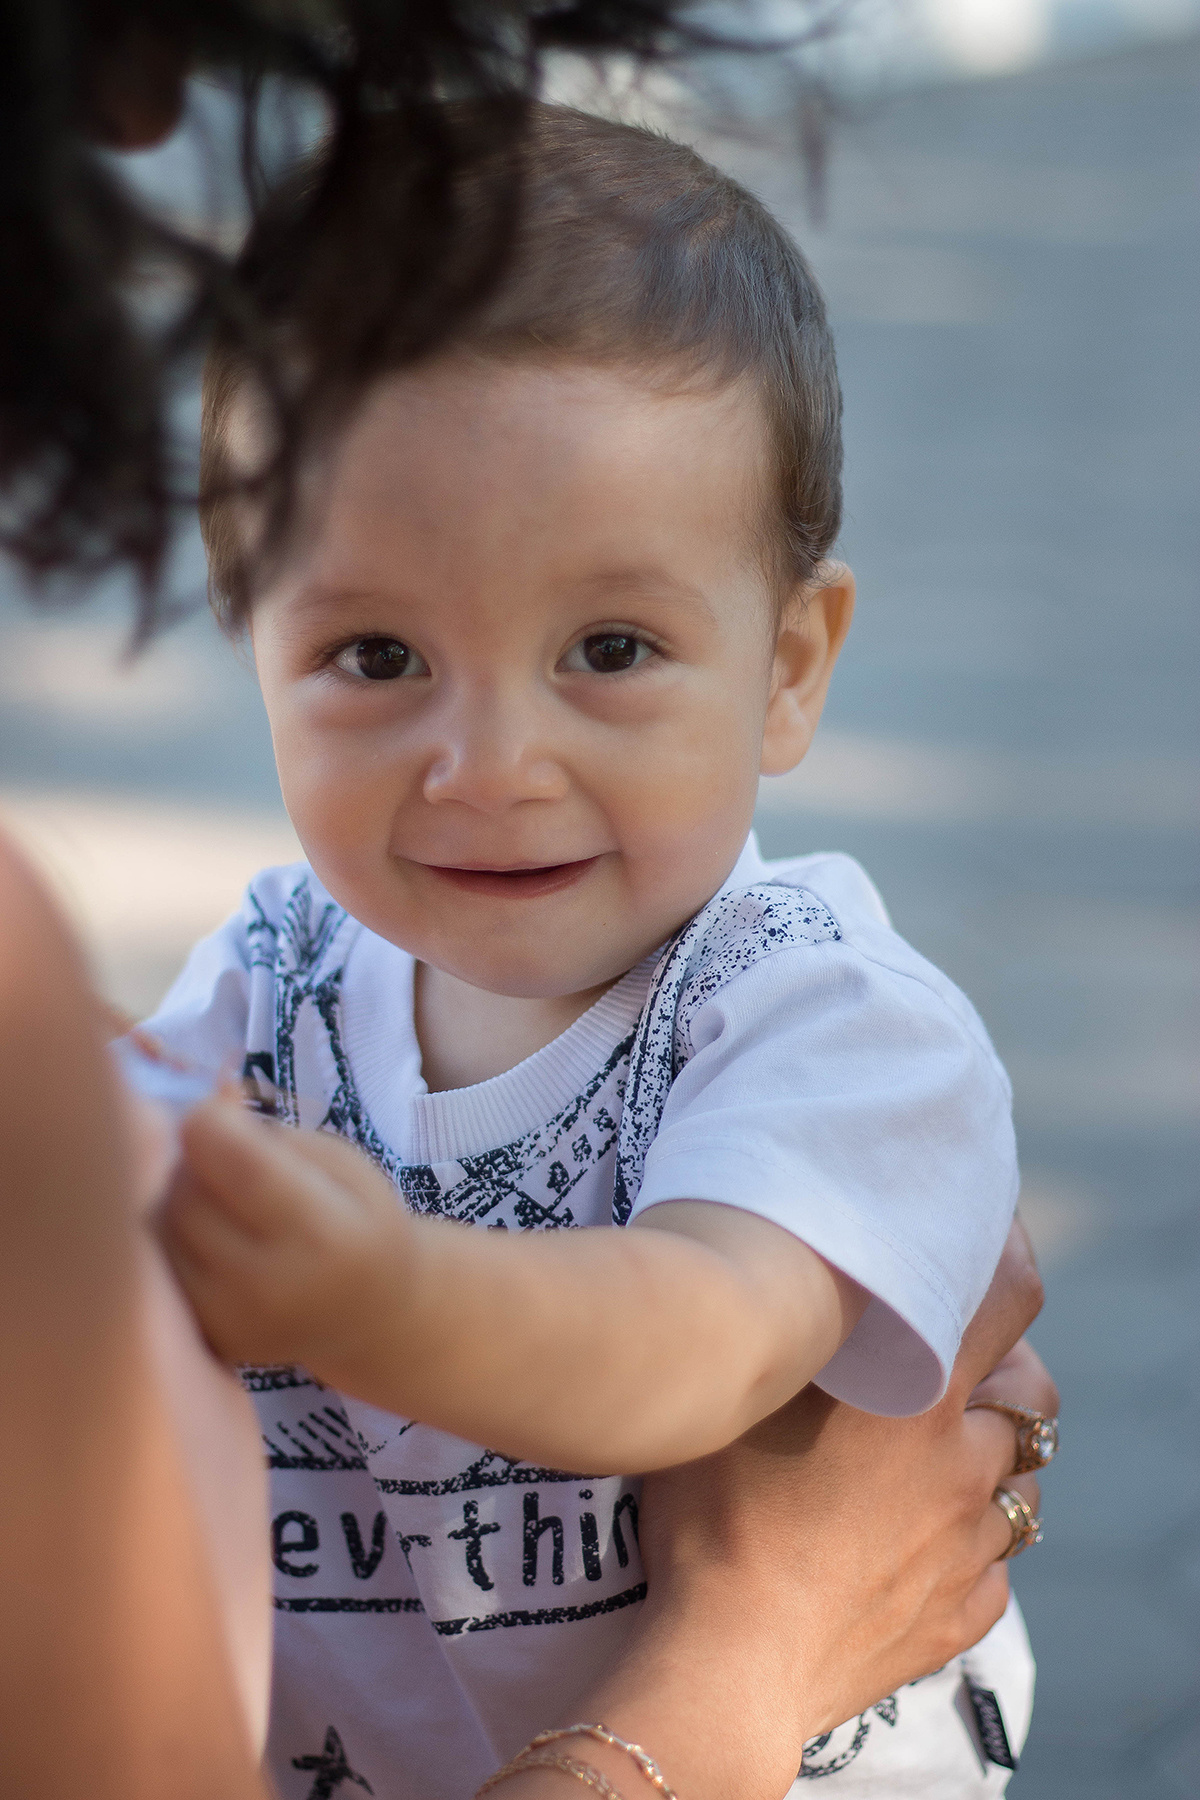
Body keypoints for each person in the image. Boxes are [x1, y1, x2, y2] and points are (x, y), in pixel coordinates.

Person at [0, 9, 1057, 1796]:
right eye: (376, 654)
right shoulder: (271, 974)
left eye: (612, 650)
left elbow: (694, 1341)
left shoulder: (826, 1018)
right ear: (251, 637)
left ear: (792, 666)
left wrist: (380, 1290)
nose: (488, 764)